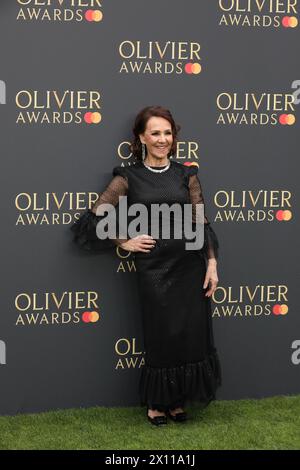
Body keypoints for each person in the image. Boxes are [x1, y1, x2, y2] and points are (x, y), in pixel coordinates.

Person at [70, 106, 222, 426]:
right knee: (161, 334)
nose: (162, 139)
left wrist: (211, 263)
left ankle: (177, 401)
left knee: (189, 335)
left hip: (189, 265)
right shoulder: (128, 176)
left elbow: (200, 221)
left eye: (168, 133)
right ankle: (157, 403)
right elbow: (94, 217)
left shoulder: (187, 174)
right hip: (154, 268)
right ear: (142, 137)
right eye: (155, 133)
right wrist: (123, 240)